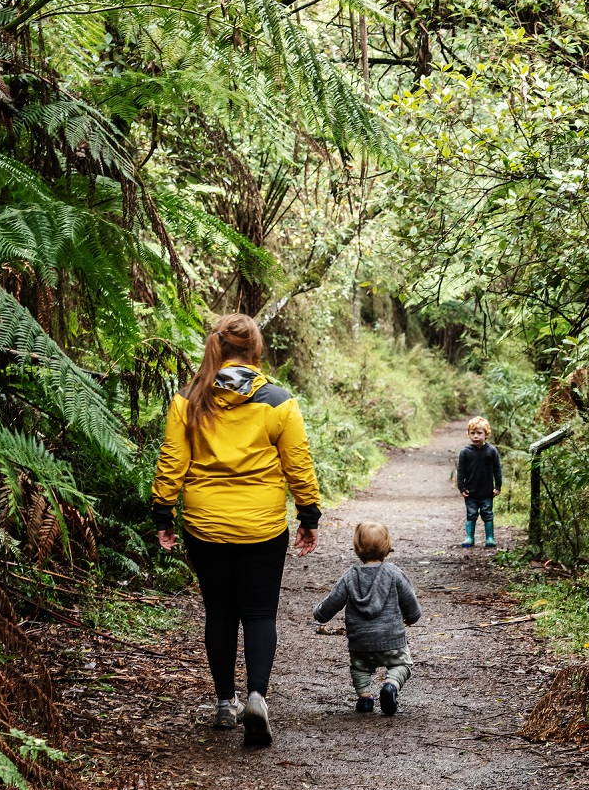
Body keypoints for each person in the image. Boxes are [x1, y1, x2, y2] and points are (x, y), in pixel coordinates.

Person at [151, 314, 320, 748]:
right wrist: (309, 515)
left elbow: (173, 462)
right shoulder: (279, 401)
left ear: (218, 347)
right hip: (261, 525)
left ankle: (225, 704)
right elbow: (297, 463)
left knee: (220, 614)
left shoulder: (187, 400)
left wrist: (162, 514)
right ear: (255, 350)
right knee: (260, 614)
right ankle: (257, 697)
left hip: (205, 525)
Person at [311, 521, 421, 716]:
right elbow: (411, 603)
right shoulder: (394, 573)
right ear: (388, 548)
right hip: (391, 639)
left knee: (360, 667)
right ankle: (391, 685)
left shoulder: (350, 576)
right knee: (402, 664)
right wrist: (411, 617)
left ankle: (364, 698)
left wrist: (320, 614)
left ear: (357, 548)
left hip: (360, 641)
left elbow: (332, 601)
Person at [454, 417, 503, 549]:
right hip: (471, 492)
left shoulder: (492, 451)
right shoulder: (465, 452)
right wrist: (461, 487)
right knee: (471, 515)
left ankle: (490, 538)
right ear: (468, 434)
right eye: (473, 433)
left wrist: (497, 486)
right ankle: (469, 537)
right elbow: (461, 471)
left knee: (487, 514)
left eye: (479, 433)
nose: (476, 436)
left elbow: (497, 470)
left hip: (487, 492)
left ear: (486, 434)